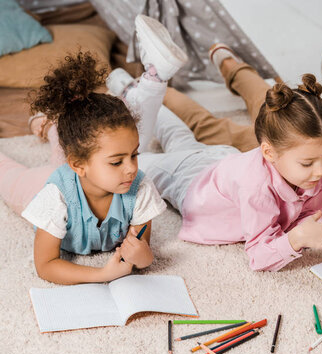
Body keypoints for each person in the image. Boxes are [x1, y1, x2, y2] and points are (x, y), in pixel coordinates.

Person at [108, 60, 322, 271]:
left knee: (179, 138)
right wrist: (296, 239)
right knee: (134, 163)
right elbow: (258, 256)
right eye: (308, 162)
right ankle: (138, 90)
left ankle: (130, 88)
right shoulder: (257, 187)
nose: (321, 171)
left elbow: (308, 214)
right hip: (189, 180)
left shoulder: (314, 167)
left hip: (221, 161)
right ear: (269, 152)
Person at [0, 14, 189, 284]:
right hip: (38, 185)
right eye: (117, 162)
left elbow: (143, 253)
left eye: (134, 154)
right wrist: (102, 274)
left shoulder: (138, 187)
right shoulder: (54, 197)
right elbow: (46, 265)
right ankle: (49, 122)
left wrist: (144, 256)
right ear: (77, 165)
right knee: (5, 174)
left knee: (74, 144)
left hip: (83, 159)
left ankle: (50, 122)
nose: (132, 168)